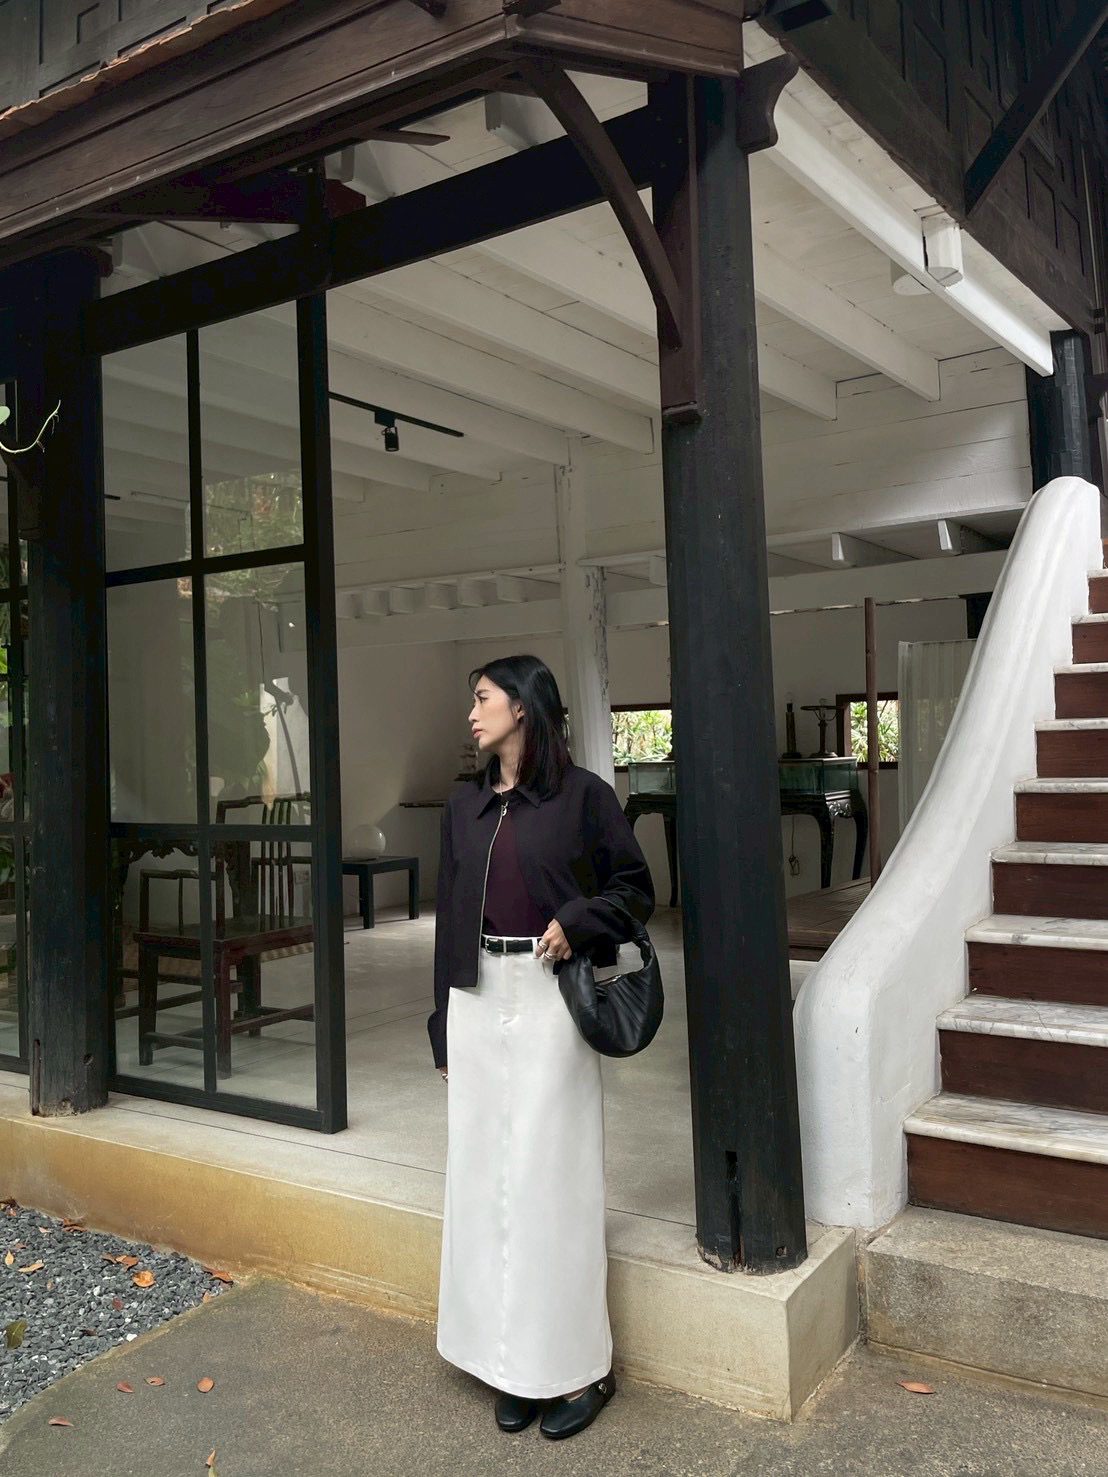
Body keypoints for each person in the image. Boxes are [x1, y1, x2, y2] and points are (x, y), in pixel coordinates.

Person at [429, 654, 654, 1441]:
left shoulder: (584, 796)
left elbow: (635, 888)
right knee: (484, 1182)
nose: (472, 713)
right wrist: (440, 1023)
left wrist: (579, 920)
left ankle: (580, 1369)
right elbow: (447, 915)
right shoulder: (464, 806)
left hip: (551, 994)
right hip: (474, 997)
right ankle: (510, 1364)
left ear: (522, 706)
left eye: (483, 698)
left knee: (551, 1181)